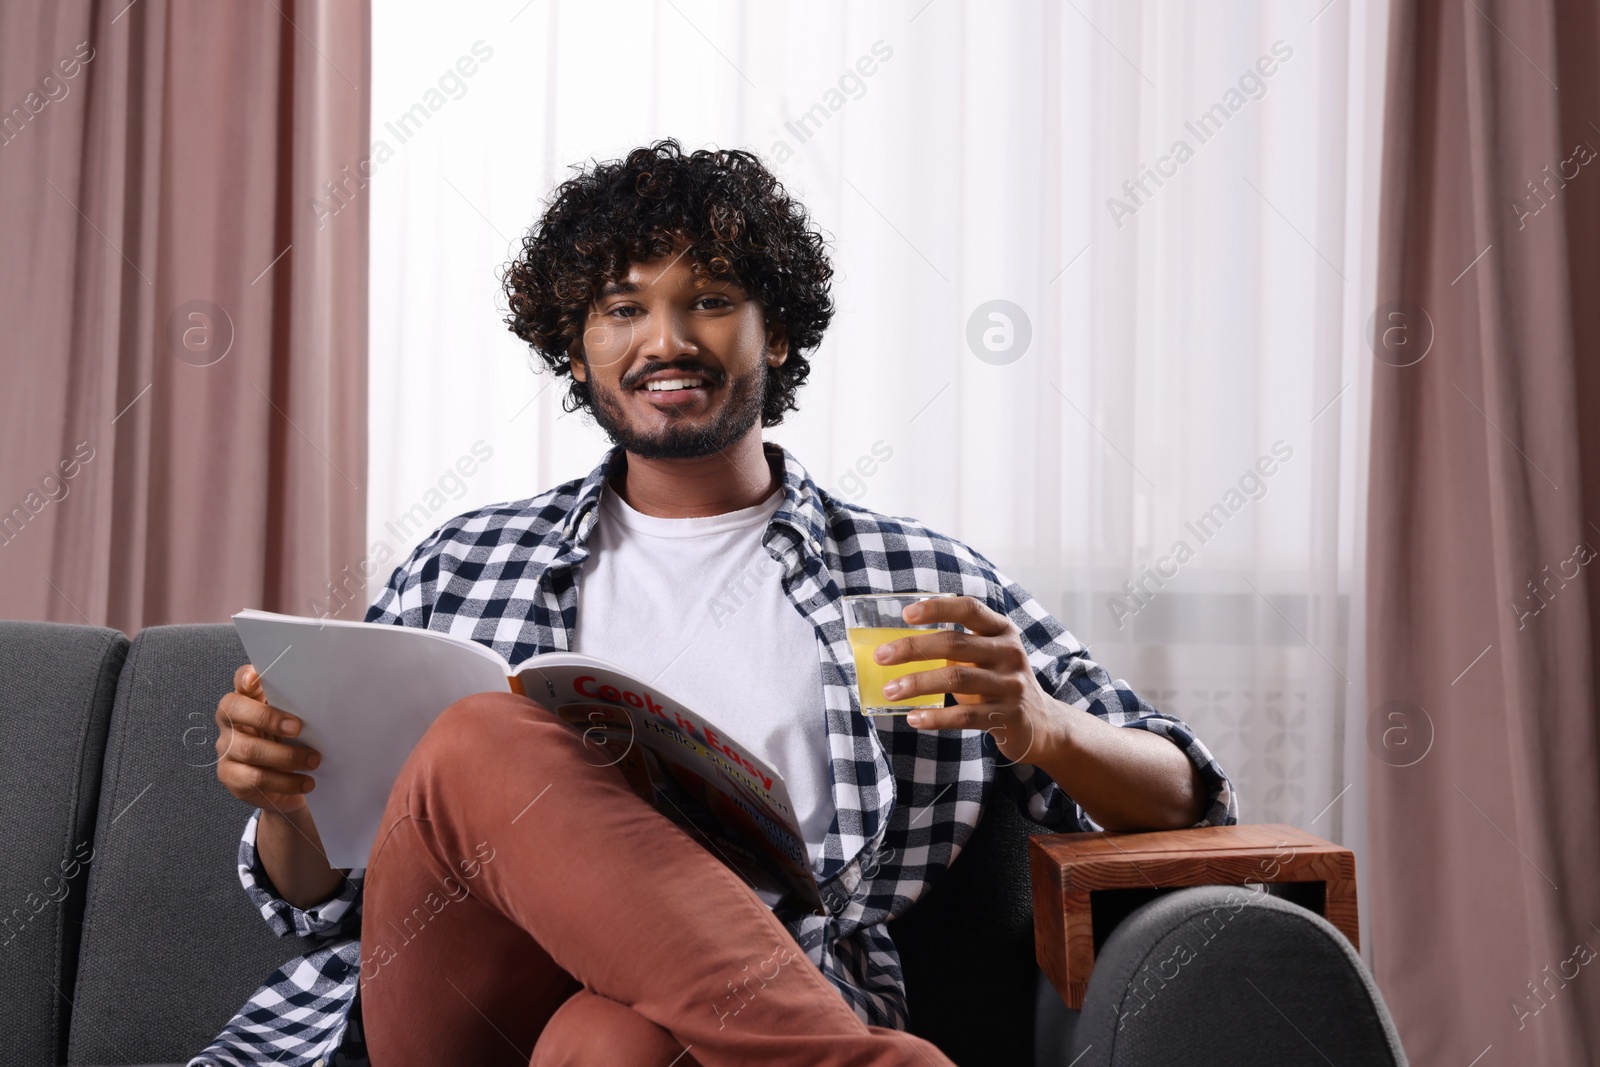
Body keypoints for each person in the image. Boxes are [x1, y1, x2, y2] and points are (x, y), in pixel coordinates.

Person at [193, 139, 1236, 1067]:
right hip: (460, 1000)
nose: (666, 338)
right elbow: (316, 900)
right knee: (480, 736)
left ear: (774, 334)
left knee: (615, 1039)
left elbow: (1188, 797)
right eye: (621, 307)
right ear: (576, 350)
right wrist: (284, 795)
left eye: (710, 298)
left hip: (721, 1019)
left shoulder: (915, 575)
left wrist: (1041, 720)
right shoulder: (463, 562)